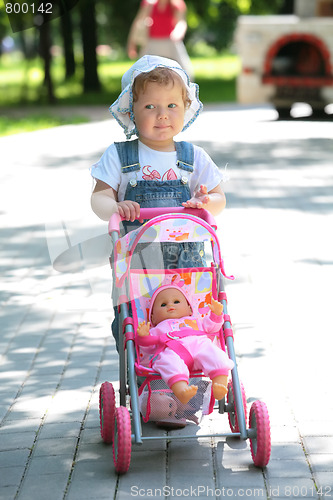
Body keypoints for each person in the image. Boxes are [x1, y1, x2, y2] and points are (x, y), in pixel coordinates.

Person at [90, 54, 227, 348]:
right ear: (132, 111)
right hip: (137, 260)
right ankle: (144, 379)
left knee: (196, 316)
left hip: (188, 262)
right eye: (150, 106)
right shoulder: (119, 156)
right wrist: (114, 207)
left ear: (185, 108)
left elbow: (219, 199)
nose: (162, 114)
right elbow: (99, 198)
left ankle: (196, 367)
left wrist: (205, 202)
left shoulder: (194, 157)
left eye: (171, 106)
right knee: (135, 322)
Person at [137, 277, 234, 405]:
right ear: (153, 318)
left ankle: (219, 385)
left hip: (200, 347)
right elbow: (149, 348)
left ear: (189, 309)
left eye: (176, 301)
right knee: (168, 362)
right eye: (163, 304)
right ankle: (182, 391)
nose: (170, 305)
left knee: (215, 354)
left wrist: (215, 314)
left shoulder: (195, 321)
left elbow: (212, 328)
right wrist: (144, 337)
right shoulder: (157, 328)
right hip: (173, 351)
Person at [127, 0, 193, 78]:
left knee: (184, 71)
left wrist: (178, 32)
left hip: (170, 42)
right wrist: (131, 44)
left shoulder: (176, 3)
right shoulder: (149, 3)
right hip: (152, 43)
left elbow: (181, 21)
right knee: (142, 72)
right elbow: (138, 22)